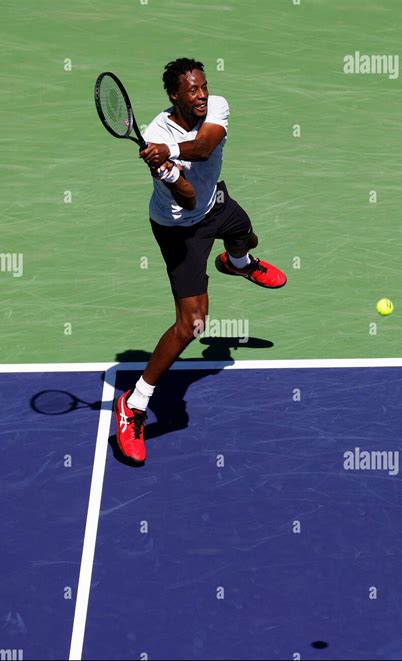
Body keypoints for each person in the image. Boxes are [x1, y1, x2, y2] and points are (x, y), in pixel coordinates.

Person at [114, 58, 287, 462]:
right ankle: (134, 404)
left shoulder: (216, 108)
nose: (202, 95)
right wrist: (168, 171)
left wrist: (168, 152)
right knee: (193, 324)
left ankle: (237, 263)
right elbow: (187, 197)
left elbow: (206, 147)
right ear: (174, 95)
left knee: (246, 235)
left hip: (217, 205)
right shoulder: (155, 133)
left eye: (204, 87)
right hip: (180, 229)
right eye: (192, 90)